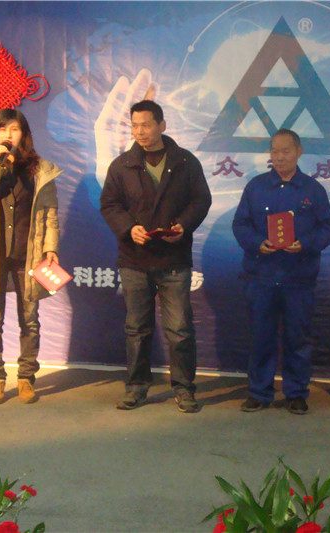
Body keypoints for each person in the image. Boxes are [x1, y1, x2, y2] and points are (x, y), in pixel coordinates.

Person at [100, 100, 211, 413]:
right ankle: (136, 387)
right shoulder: (121, 165)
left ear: (162, 125)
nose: (140, 132)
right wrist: (128, 228)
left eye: (146, 125)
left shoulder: (186, 162)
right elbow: (109, 204)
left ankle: (184, 388)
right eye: (134, 126)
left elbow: (201, 200)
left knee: (179, 329)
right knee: (137, 328)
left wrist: (183, 225)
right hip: (135, 259)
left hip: (174, 259)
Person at [232, 129, 330, 415]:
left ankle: (296, 393)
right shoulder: (256, 187)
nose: (279, 157)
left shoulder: (313, 190)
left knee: (298, 339)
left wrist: (306, 243)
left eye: (285, 151)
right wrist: (257, 243)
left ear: (299, 152)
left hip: (298, 278)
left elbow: (328, 227)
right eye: (274, 151)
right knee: (261, 337)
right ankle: (259, 392)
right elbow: (240, 225)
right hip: (261, 277)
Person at [0, 108, 61, 405]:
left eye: (14, 129)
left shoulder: (41, 169)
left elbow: (50, 214)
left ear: (24, 134)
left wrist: (51, 248)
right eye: (3, 129)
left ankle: (26, 378)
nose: (8, 134)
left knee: (30, 322)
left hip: (28, 257)